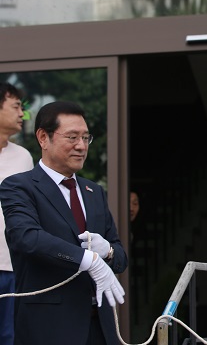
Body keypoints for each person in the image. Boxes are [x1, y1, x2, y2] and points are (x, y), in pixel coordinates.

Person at [0, 101, 127, 345]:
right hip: (50, 327)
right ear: (43, 138)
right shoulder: (19, 187)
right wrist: (88, 260)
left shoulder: (94, 191)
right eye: (72, 137)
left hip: (100, 328)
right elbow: (26, 237)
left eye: (86, 138)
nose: (81, 146)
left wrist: (108, 252)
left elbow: (121, 256)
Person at [0, 83, 33, 345]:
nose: (22, 114)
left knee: (12, 338)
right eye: (16, 106)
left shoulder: (23, 157)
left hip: (14, 267)